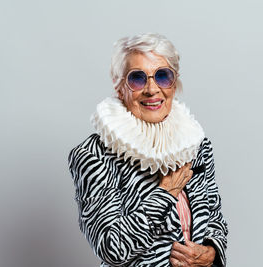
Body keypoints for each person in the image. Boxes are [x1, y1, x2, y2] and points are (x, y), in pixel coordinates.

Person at [68, 33, 228, 267]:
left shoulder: (196, 145)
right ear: (119, 85)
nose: (152, 89)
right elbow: (111, 248)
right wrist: (165, 193)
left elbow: (214, 217)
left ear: (175, 83)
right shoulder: (94, 154)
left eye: (163, 76)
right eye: (137, 79)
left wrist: (211, 252)